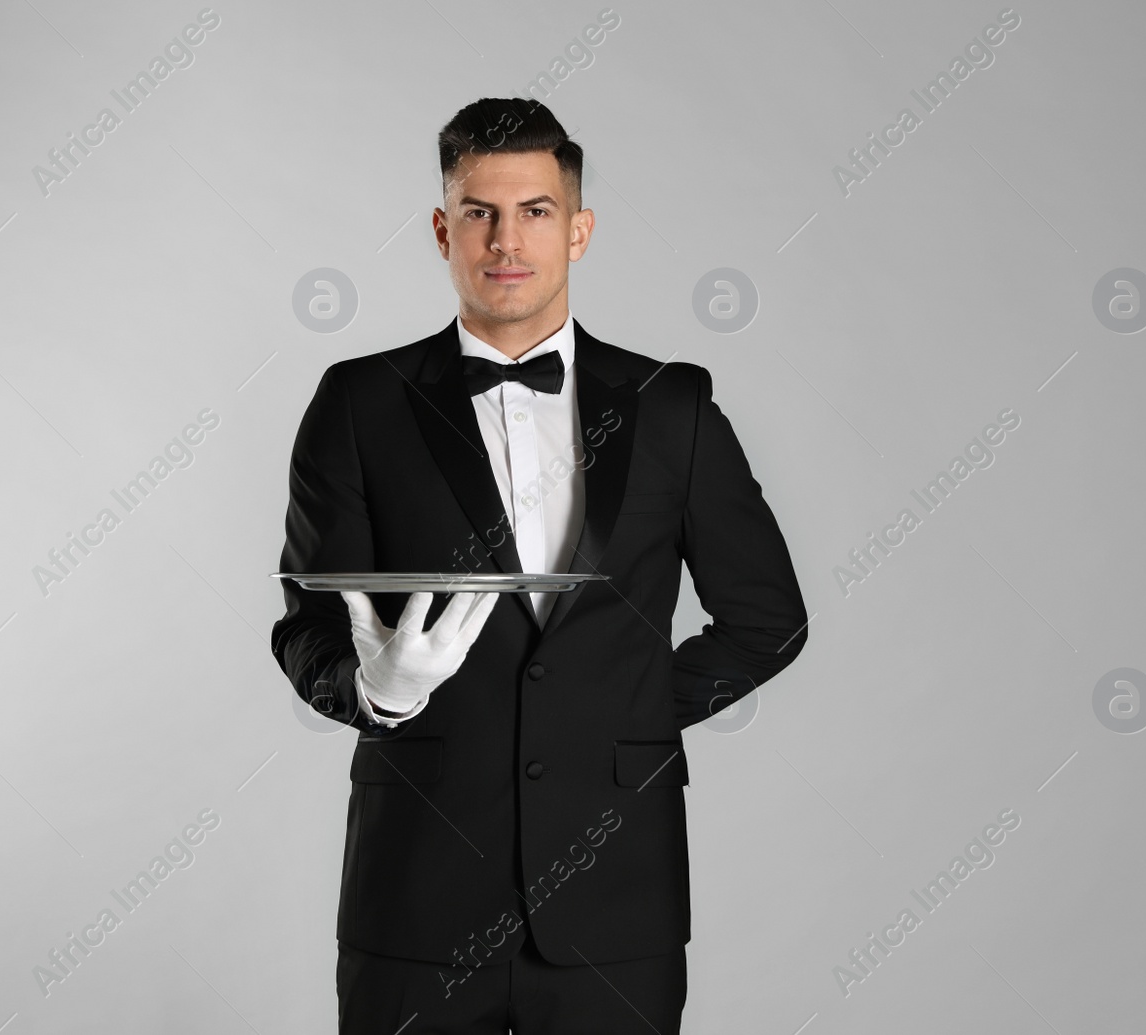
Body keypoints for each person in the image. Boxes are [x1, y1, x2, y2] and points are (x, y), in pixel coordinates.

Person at [272, 97, 810, 1034]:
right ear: (443, 229)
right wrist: (379, 692)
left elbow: (769, 618)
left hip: (617, 903)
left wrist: (626, 707)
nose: (505, 240)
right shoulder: (360, 401)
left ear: (580, 229)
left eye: (536, 211)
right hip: (414, 900)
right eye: (479, 212)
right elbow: (307, 623)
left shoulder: (671, 405)